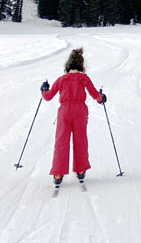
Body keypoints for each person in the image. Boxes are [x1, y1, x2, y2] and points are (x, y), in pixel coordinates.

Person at [40, 48, 105, 187]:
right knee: (80, 140)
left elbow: (48, 96)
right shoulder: (84, 78)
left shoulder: (61, 79)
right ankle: (81, 170)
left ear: (68, 65)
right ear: (81, 65)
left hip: (64, 112)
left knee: (61, 141)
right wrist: (101, 98)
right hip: (80, 111)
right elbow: (95, 95)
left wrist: (44, 89)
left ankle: (58, 174)